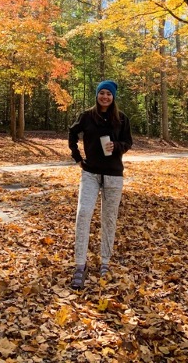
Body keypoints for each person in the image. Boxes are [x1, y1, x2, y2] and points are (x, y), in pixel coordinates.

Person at [68, 79, 133, 289]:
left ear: (113, 97)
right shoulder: (87, 116)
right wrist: (77, 157)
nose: (105, 96)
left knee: (109, 219)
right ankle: (80, 265)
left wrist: (118, 146)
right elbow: (72, 133)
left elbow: (128, 142)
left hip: (114, 174)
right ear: (97, 94)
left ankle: (105, 262)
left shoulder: (121, 119)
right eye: (102, 93)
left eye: (109, 94)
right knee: (83, 213)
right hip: (90, 174)